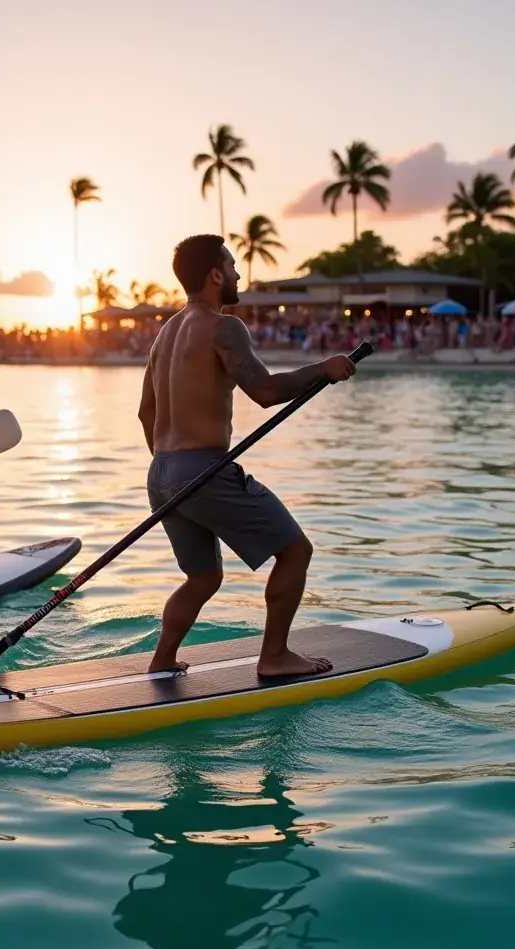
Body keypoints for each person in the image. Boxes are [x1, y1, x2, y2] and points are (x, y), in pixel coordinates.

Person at [138, 234, 356, 679]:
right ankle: (274, 656)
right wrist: (324, 369)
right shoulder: (224, 326)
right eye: (233, 267)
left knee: (203, 577)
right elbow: (266, 391)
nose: (238, 275)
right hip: (202, 470)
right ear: (216, 274)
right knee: (295, 551)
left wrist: (172, 470)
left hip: (160, 472)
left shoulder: (165, 333)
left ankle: (162, 661)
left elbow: (146, 411)